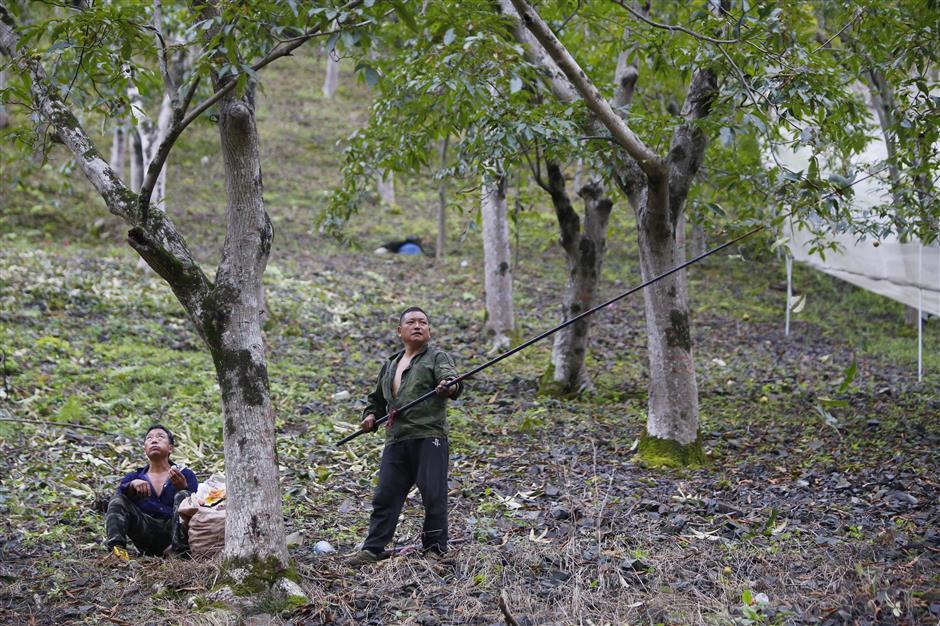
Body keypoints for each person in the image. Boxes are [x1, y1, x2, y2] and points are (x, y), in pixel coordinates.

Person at [348, 306, 463, 566]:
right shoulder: (390, 364)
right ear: (400, 331)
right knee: (385, 495)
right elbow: (376, 400)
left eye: (423, 322)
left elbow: (452, 381)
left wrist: (448, 387)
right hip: (396, 438)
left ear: (429, 330)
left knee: (433, 494)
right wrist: (369, 417)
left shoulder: (436, 356)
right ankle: (373, 549)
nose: (418, 326)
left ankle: (435, 549)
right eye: (411, 322)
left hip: (428, 436)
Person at [104, 425, 198, 559]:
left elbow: (197, 505)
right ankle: (117, 553)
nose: (154, 440)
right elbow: (118, 500)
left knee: (184, 496)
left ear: (170, 448)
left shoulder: (185, 474)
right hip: (145, 533)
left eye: (160, 437)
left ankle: (179, 554)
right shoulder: (134, 476)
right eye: (149, 438)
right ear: (145, 449)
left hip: (176, 535)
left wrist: (183, 488)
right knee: (118, 499)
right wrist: (132, 485)